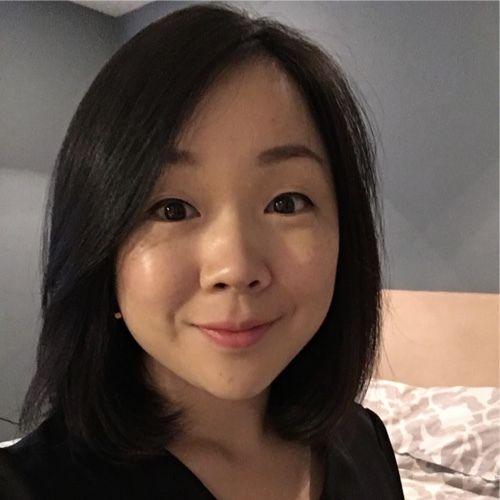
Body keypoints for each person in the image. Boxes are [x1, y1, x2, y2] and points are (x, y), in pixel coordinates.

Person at [0, 2, 405, 499]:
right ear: (100, 246)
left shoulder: (364, 442)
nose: (235, 267)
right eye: (172, 209)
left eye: (285, 202)